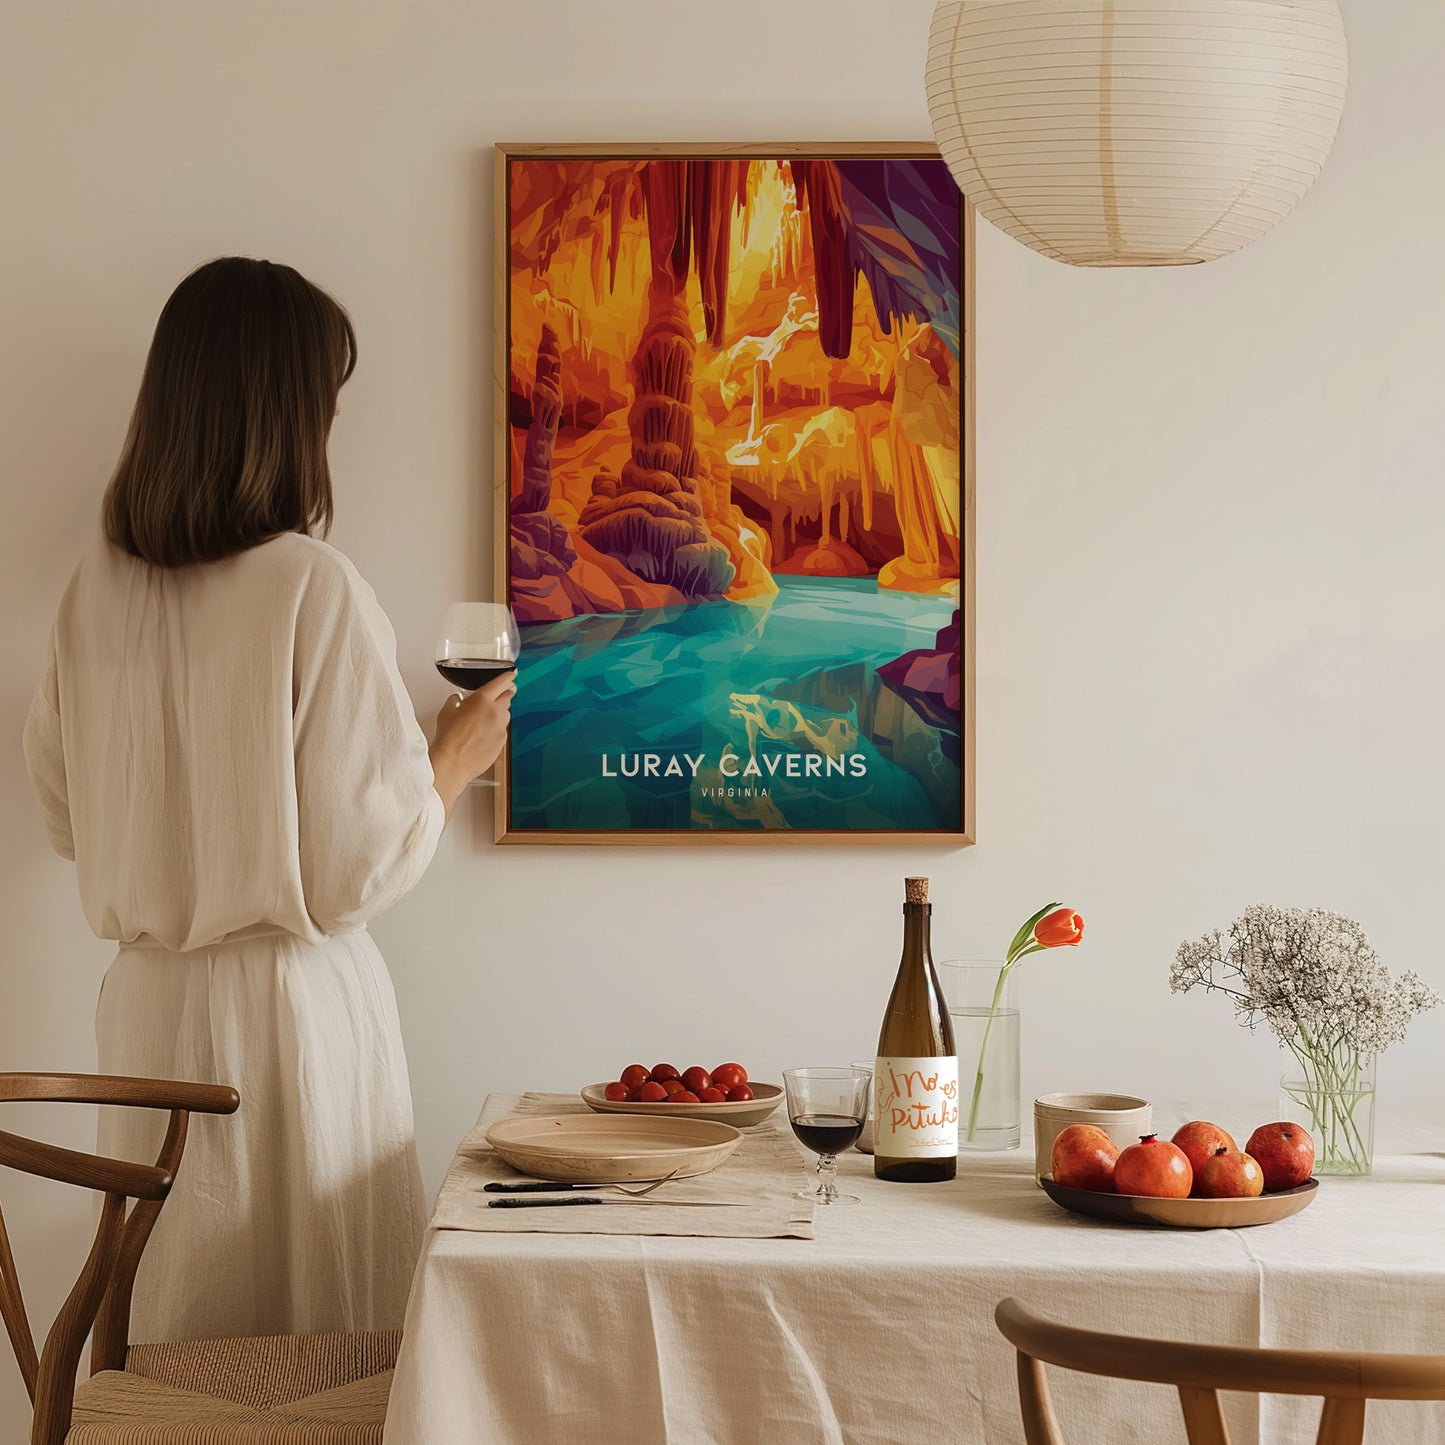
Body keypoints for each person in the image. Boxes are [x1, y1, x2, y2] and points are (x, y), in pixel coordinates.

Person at [21, 256, 510, 1341]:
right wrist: (448, 759)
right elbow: (351, 870)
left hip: (147, 1010)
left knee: (177, 1330)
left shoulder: (91, 591)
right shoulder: (310, 584)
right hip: (289, 1020)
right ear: (286, 412)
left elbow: (65, 815)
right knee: (314, 1345)